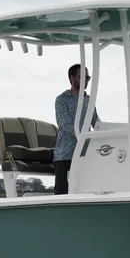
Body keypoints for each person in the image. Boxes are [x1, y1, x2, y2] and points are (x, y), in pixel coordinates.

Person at [53, 63, 100, 195]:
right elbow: (65, 125)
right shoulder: (61, 100)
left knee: (86, 192)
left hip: (85, 155)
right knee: (62, 194)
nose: (85, 81)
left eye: (87, 78)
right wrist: (86, 138)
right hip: (65, 155)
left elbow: (96, 123)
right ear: (72, 78)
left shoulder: (89, 100)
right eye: (81, 77)